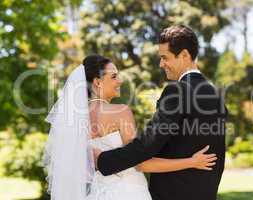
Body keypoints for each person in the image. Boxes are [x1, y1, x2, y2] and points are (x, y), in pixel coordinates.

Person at [43, 53, 217, 200]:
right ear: (97, 82)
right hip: (129, 191)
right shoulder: (120, 112)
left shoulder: (73, 120)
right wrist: (192, 162)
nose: (120, 81)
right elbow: (141, 164)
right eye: (113, 76)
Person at [93, 25, 227, 200]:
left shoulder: (178, 91)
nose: (161, 64)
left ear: (185, 55)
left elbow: (148, 145)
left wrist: (103, 160)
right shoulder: (216, 95)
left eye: (165, 58)